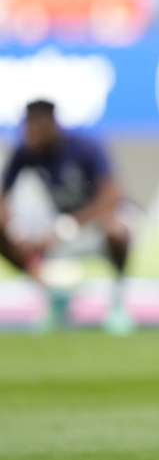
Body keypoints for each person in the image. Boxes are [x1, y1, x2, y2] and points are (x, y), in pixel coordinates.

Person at [0, 99, 135, 333]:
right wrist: (17, 232)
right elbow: (3, 197)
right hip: (58, 229)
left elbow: (111, 198)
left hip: (94, 226)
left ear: (51, 125)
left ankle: (117, 302)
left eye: (35, 129)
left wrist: (65, 228)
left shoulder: (84, 147)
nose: (30, 136)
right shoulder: (26, 151)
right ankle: (56, 295)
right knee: (4, 238)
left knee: (117, 230)